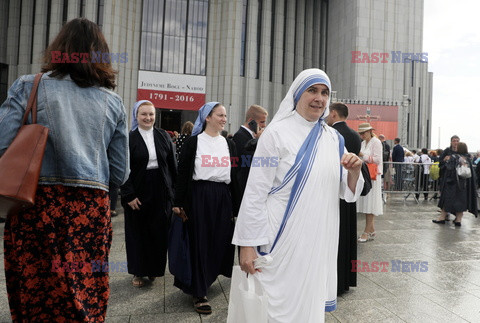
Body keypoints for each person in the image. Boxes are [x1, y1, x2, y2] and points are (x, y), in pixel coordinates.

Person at [0, 18, 129, 322]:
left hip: (36, 207)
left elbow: (2, 145)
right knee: (85, 291)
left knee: (37, 293)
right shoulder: (114, 103)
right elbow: (121, 173)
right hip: (89, 213)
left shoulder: (28, 85)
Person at [232, 68, 364, 322]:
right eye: (312, 90)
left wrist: (355, 171)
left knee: (308, 310)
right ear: (296, 94)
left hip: (317, 242)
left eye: (324, 92)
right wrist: (247, 244)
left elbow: (347, 192)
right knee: (272, 308)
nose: (319, 98)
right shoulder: (275, 133)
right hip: (279, 238)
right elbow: (255, 192)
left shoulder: (333, 139)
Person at [172, 102, 237, 315]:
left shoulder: (230, 144)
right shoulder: (194, 143)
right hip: (199, 196)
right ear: (207, 117)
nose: (224, 119)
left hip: (222, 197)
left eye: (225, 115)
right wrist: (178, 203)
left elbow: (234, 177)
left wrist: (237, 206)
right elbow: (182, 174)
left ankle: (207, 277)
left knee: (219, 239)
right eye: (220, 115)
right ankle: (199, 293)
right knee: (199, 241)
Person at [121, 100, 176, 287]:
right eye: (144, 114)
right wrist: (128, 194)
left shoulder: (163, 136)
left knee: (158, 232)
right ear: (136, 116)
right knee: (138, 232)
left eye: (151, 114)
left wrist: (174, 194)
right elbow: (122, 168)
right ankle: (138, 271)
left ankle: (154, 269)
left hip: (160, 188)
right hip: (138, 189)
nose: (148, 118)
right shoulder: (128, 138)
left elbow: (172, 165)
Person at [327, 102, 362, 296]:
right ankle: (346, 279)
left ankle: (336, 280)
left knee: (336, 238)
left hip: (336, 192)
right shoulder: (355, 135)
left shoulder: (333, 135)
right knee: (348, 236)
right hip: (350, 187)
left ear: (333, 114)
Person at [232, 104, 268, 212]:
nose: (264, 125)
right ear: (251, 121)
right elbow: (249, 161)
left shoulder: (252, 136)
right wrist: (259, 141)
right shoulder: (240, 136)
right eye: (262, 122)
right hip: (244, 190)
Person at [433, 142, 478, 226]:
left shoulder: (454, 158)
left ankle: (442, 218)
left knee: (447, 200)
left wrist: (446, 161)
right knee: (461, 202)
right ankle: (458, 220)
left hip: (452, 184)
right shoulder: (467, 158)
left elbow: (449, 169)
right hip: (463, 184)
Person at [357, 123, 383, 243]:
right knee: (367, 202)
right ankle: (371, 230)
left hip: (373, 176)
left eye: (363, 133)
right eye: (360, 133)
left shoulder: (376, 142)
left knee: (370, 205)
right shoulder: (363, 143)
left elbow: (378, 160)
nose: (362, 135)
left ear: (369, 131)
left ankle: (366, 232)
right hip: (365, 174)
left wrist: (363, 156)